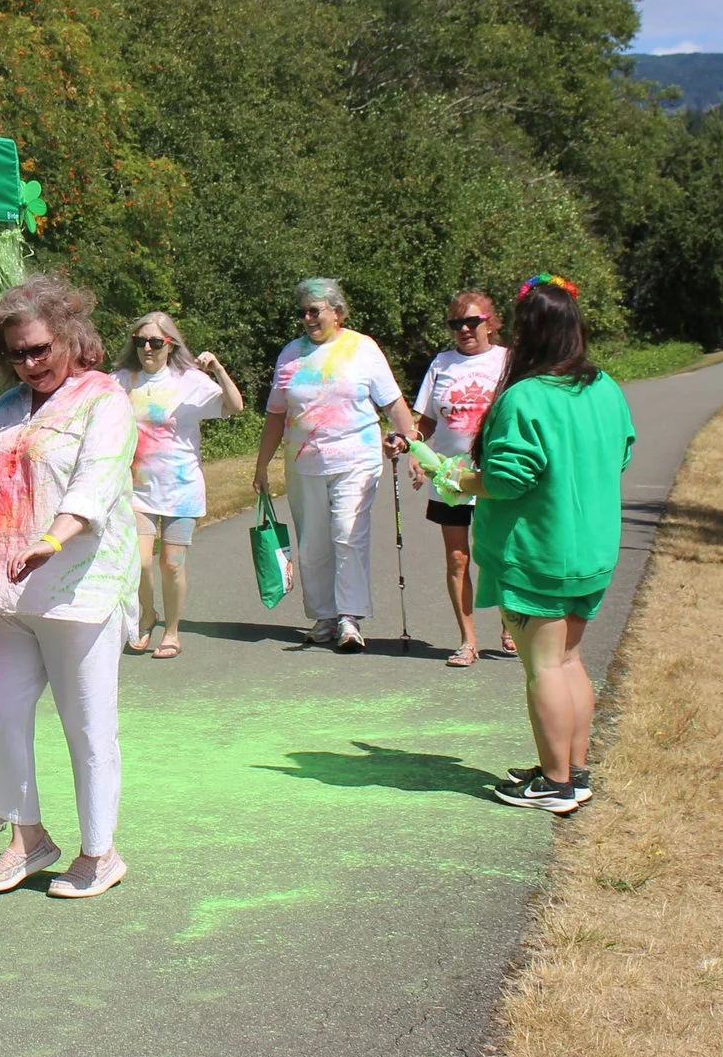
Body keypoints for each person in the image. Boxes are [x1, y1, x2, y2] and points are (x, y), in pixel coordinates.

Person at [0, 274, 136, 899]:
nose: (29, 362)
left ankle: (100, 853)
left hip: (79, 587)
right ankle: (28, 841)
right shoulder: (9, 407)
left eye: (40, 348)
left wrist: (55, 537)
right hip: (3, 590)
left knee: (88, 724)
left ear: (71, 338)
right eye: (16, 353)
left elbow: (97, 481)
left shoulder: (105, 399)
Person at [455, 274, 636, 816]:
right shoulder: (605, 387)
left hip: (537, 554)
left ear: (527, 333)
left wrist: (463, 482)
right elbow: (622, 454)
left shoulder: (523, 398)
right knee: (569, 658)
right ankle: (573, 771)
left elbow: (508, 479)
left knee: (544, 668)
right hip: (593, 552)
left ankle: (556, 782)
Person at [251, 277, 419, 653]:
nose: (308, 318)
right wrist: (262, 465)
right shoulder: (291, 354)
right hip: (303, 463)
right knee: (312, 544)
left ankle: (349, 617)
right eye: (303, 312)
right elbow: (276, 414)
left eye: (316, 311)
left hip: (355, 458)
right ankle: (324, 615)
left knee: (347, 532)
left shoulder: (363, 349)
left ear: (337, 312)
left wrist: (413, 447)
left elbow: (392, 403)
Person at [116, 311, 244, 658]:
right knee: (139, 562)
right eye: (140, 341)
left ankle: (171, 631)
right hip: (137, 490)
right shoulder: (123, 380)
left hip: (181, 489)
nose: (147, 348)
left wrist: (217, 370)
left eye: (155, 342)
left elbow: (234, 406)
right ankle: (147, 615)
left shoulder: (189, 380)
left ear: (169, 345)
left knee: (171, 564)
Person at [403, 291, 512, 668]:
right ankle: (468, 641)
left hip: (495, 473)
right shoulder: (442, 364)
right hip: (449, 477)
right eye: (456, 324)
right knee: (457, 558)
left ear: (490, 322)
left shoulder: (508, 361)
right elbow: (426, 422)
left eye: (472, 322)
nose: (465, 330)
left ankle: (509, 623)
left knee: (496, 555)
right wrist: (415, 453)